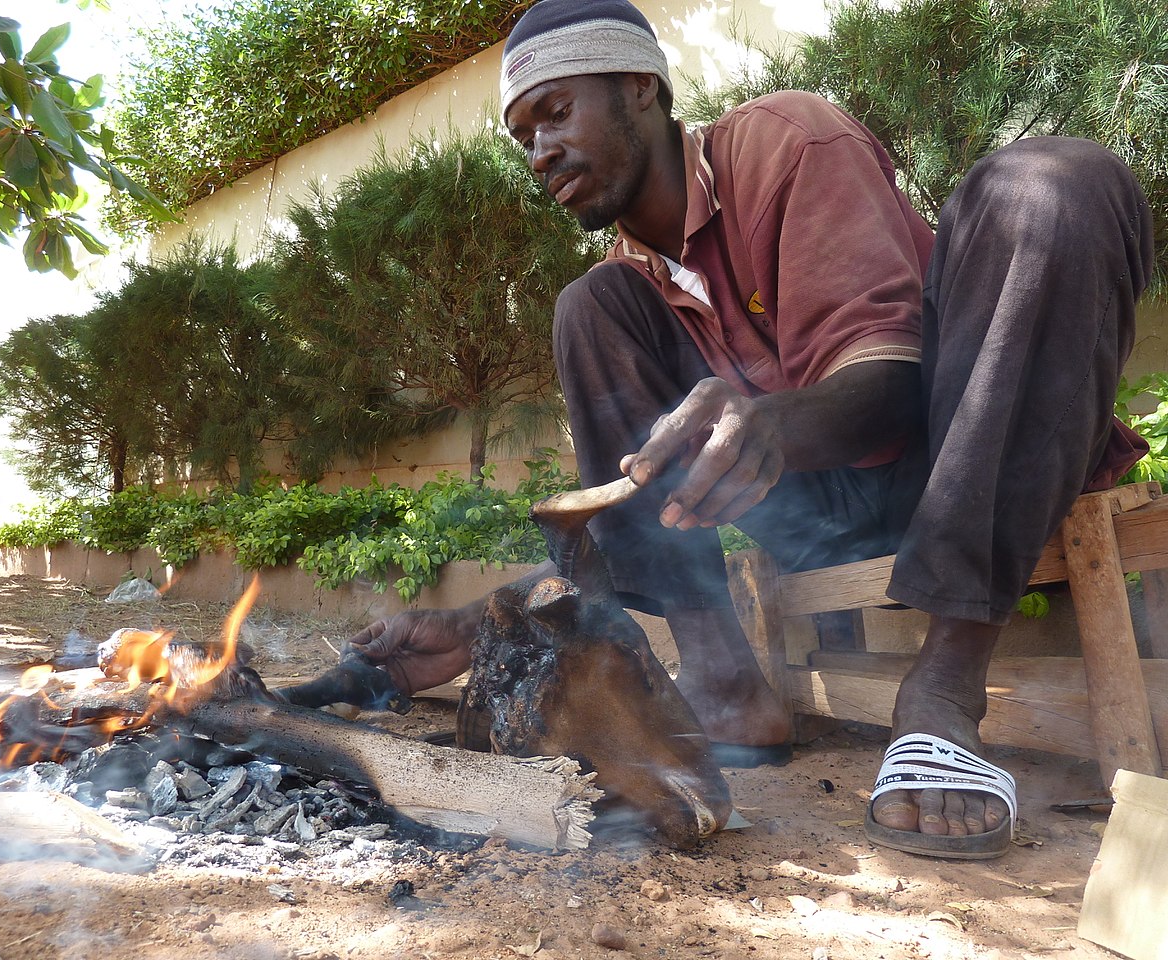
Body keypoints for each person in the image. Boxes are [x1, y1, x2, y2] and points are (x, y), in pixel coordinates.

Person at [348, 0, 1153, 859]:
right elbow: (636, 500)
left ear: (639, 88)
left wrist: (769, 425)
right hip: (814, 514)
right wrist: (474, 627)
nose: (541, 149)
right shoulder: (631, 283)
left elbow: (895, 383)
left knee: (1054, 181)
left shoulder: (785, 142)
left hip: (960, 459)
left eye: (556, 112)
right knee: (590, 307)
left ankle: (946, 688)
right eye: (524, 136)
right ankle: (726, 683)